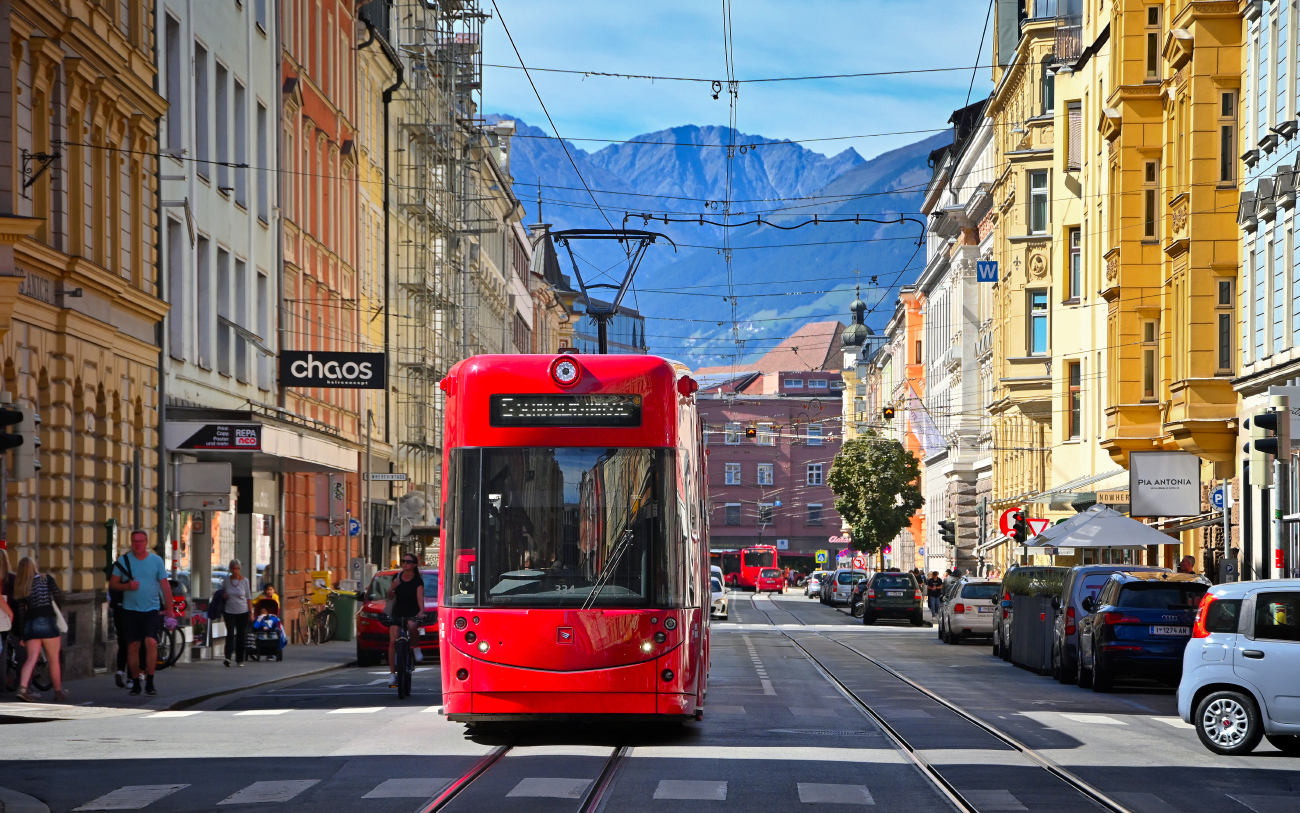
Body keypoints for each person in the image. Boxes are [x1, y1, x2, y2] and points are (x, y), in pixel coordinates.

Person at [108, 530, 175, 696]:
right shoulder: (123, 561)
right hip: (129, 611)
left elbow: (165, 586)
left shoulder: (156, 561)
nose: (138, 544)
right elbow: (113, 584)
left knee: (151, 643)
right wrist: (126, 586)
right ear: (131, 543)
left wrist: (170, 610)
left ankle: (150, 682)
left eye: (141, 541)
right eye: (135, 541)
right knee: (133, 646)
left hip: (151, 610)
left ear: (146, 542)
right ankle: (136, 682)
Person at [11, 556, 67, 702]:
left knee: (30, 659)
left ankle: (23, 689)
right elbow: (59, 596)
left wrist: (23, 635)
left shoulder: (21, 586)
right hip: (47, 621)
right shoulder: (46, 579)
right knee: (53, 659)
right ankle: (58, 691)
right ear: (33, 566)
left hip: (31, 624)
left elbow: (21, 614)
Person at [387, 554, 426, 688]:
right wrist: (393, 587)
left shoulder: (417, 581)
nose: (405, 564)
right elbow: (390, 596)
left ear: (414, 565)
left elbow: (420, 596)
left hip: (412, 611)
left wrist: (421, 611)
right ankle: (393, 674)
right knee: (393, 640)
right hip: (397, 611)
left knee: (412, 625)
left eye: (408, 562)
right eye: (403, 561)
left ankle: (415, 648)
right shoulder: (397, 577)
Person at [222, 559, 254, 667]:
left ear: (239, 569)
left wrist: (251, 612)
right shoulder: (226, 581)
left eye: (236, 568)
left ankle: (240, 659)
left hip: (242, 611)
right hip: (229, 611)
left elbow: (248, 597)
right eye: (232, 568)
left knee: (241, 635)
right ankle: (227, 657)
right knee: (230, 633)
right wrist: (223, 595)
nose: (234, 570)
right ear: (230, 569)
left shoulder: (245, 581)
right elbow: (222, 593)